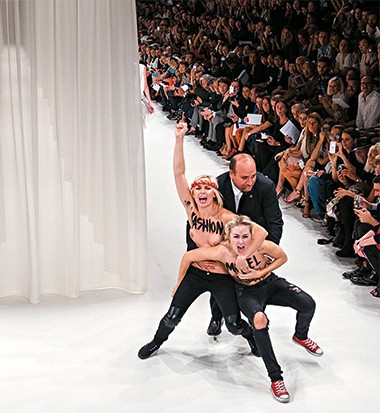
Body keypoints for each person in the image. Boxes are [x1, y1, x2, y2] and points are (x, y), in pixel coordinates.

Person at [137, 121, 266, 361]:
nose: (202, 192)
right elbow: (179, 173)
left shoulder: (228, 218)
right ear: (193, 194)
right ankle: (156, 341)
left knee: (234, 324)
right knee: (172, 316)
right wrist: (179, 139)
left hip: (221, 277)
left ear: (214, 192)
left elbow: (259, 233)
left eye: (208, 188)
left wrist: (242, 256)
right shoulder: (191, 211)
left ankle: (250, 337)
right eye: (198, 189)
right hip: (195, 273)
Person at [178, 215, 322, 403]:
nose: (241, 241)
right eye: (236, 237)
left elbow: (282, 256)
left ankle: (300, 336)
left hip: (270, 283)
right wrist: (183, 281)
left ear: (251, 236)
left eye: (245, 236)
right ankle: (276, 378)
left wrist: (261, 272)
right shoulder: (222, 251)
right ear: (229, 237)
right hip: (246, 292)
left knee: (308, 303)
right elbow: (189, 256)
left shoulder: (262, 245)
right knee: (259, 320)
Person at [205, 152, 283, 336]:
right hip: (224, 244)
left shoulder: (265, 186)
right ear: (231, 174)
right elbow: (205, 220)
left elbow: (275, 221)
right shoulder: (217, 187)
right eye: (245, 177)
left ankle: (257, 324)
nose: (250, 182)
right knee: (219, 282)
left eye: (254, 176)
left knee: (255, 286)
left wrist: (268, 252)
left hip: (254, 247)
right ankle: (216, 317)